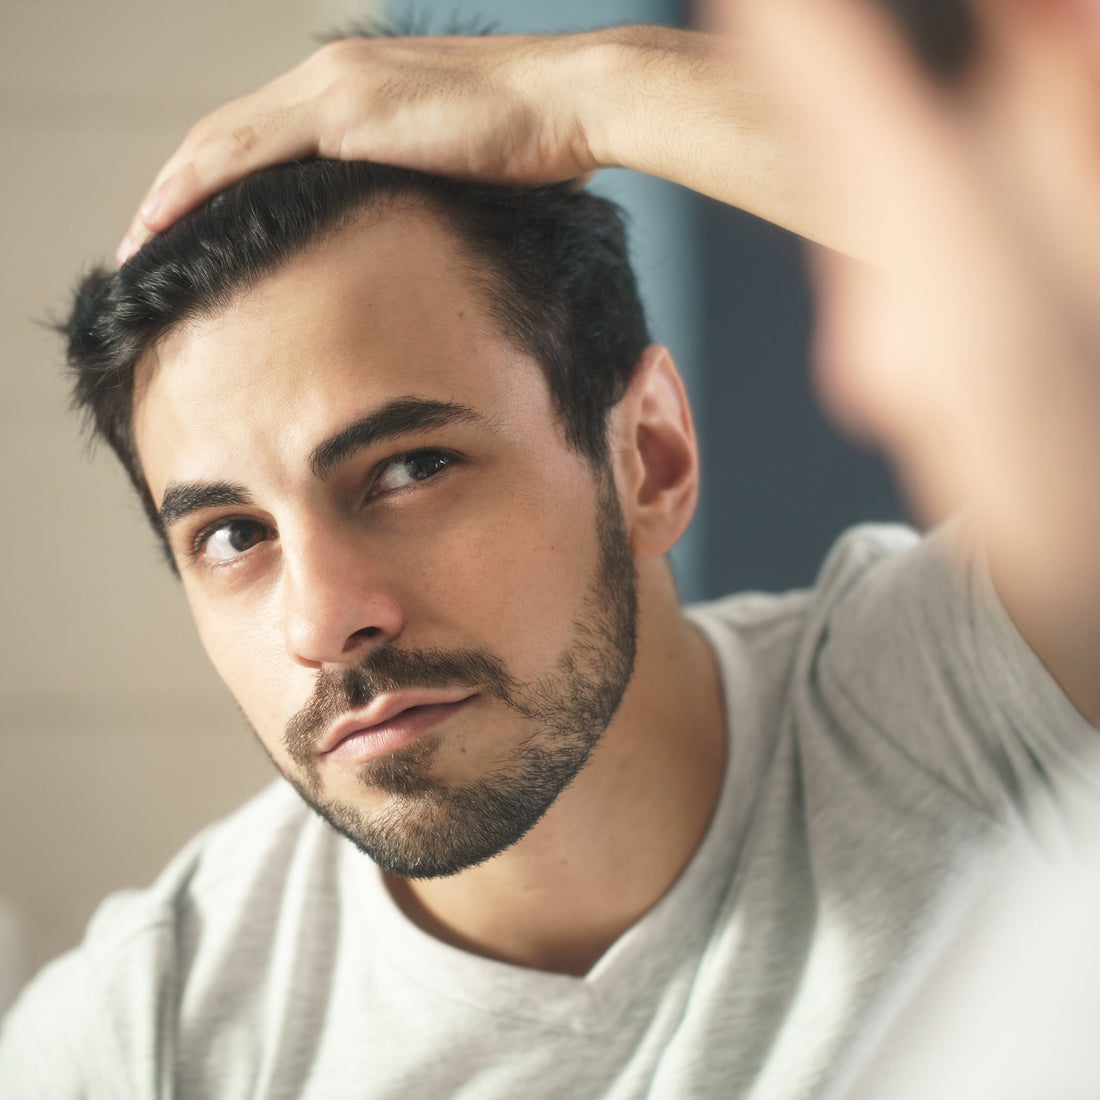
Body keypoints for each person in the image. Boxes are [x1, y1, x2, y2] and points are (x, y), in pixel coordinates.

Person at [3, 3, 1100, 1097]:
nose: (321, 619)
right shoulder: (139, 1042)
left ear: (651, 458)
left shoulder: (978, 698)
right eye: (233, 534)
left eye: (409, 467)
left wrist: (575, 94)